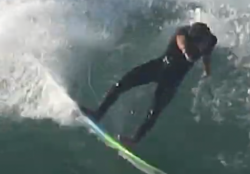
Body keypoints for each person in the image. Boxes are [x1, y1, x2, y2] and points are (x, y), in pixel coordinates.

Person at [81, 22, 218, 147]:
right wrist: (185, 51)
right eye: (201, 43)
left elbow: (207, 55)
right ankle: (98, 114)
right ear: (194, 40)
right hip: (159, 67)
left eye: (205, 42)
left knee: (154, 112)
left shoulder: (211, 41)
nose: (203, 46)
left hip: (173, 79)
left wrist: (207, 71)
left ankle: (134, 140)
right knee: (121, 85)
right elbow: (180, 41)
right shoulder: (183, 33)